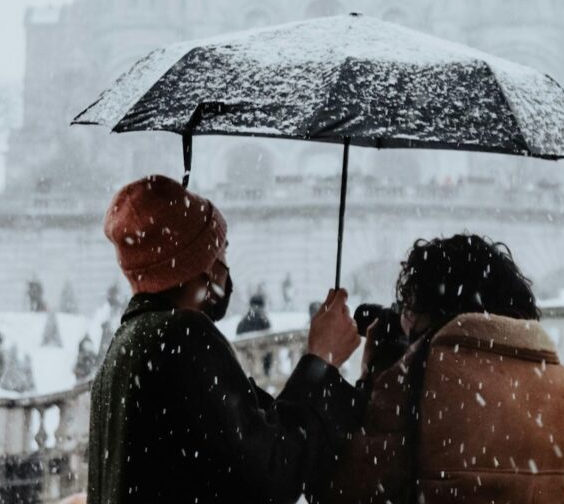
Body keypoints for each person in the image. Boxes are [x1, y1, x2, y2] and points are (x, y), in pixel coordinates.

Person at [87, 174, 361, 504]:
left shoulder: (124, 347)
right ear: (203, 263)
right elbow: (271, 474)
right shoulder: (184, 338)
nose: (226, 268)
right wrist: (321, 360)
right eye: (222, 251)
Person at [314, 233, 564, 504]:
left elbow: (348, 488)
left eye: (408, 307)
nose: (404, 320)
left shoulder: (423, 374)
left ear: (429, 305)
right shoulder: (563, 384)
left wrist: (371, 374)